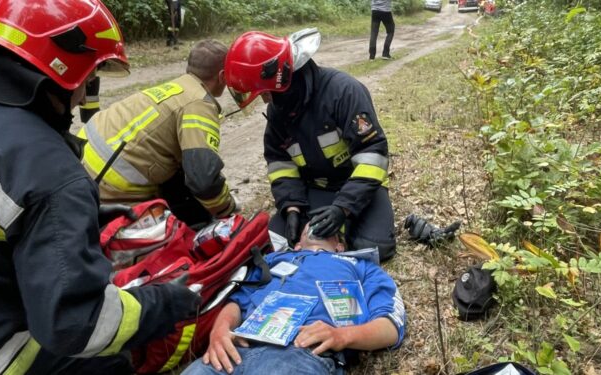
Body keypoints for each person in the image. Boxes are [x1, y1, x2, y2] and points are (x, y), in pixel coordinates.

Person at [0, 1, 201, 373]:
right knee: (109, 363)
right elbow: (77, 325)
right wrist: (165, 303)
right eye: (91, 74)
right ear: (66, 67)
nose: (86, 90)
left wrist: (67, 219)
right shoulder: (48, 167)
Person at [224, 28, 397, 261]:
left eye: (265, 93)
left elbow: (373, 154)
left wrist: (343, 208)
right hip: (316, 189)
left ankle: (350, 227)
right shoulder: (279, 112)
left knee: (374, 248)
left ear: (282, 80)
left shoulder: (344, 92)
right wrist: (292, 207)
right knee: (275, 242)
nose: (266, 100)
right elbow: (280, 164)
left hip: (361, 186)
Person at [181, 225, 406, 375]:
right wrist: (219, 330)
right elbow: (238, 299)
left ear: (340, 246)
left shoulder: (362, 266)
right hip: (234, 349)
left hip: (299, 352)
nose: (318, 222)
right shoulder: (271, 259)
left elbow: (390, 326)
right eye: (311, 223)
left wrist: (341, 336)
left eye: (327, 226)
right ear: (297, 244)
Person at [78, 39, 237, 227]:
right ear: (222, 76)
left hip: (79, 163)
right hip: (109, 187)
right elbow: (203, 180)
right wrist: (228, 210)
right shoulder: (199, 104)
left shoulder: (176, 87)